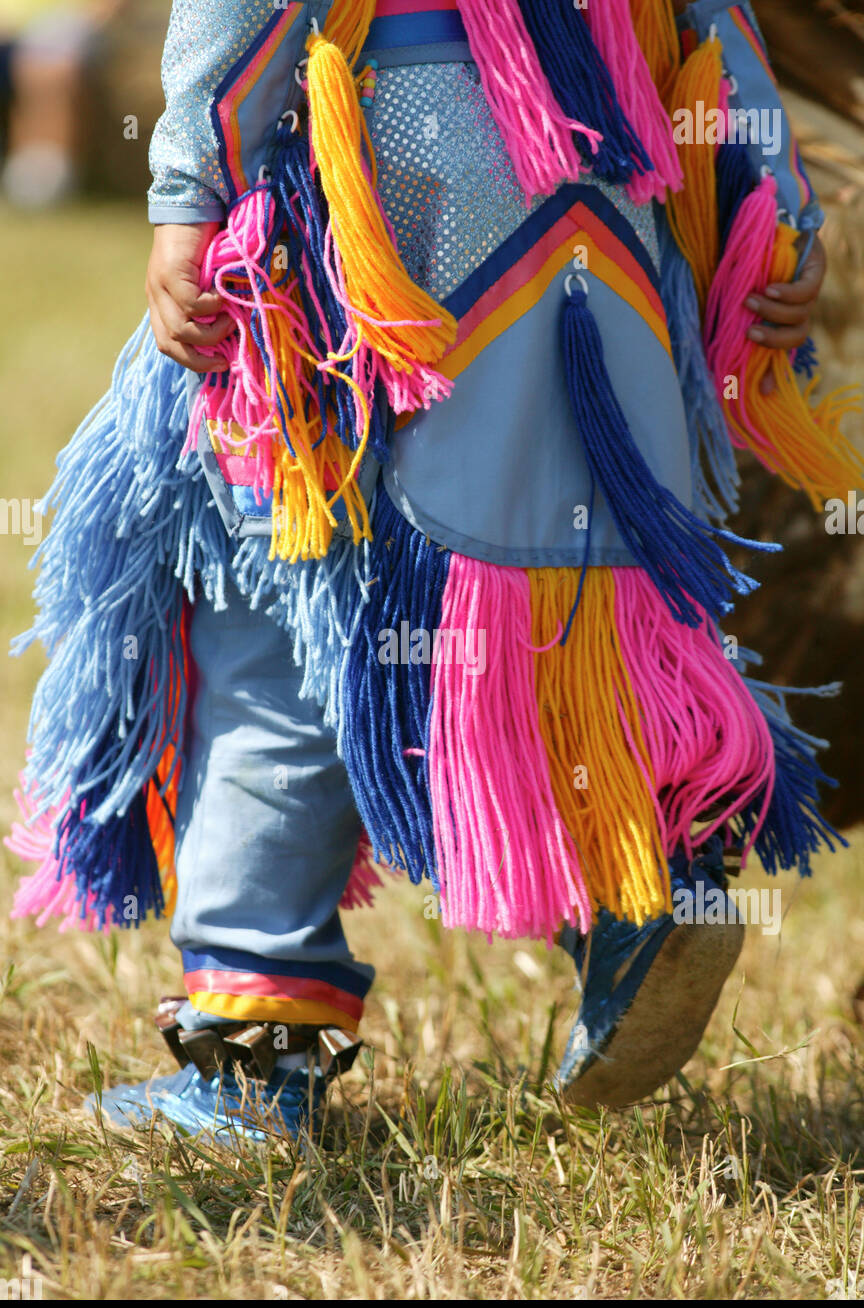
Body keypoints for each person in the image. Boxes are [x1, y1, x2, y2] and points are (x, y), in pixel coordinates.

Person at [9, 0, 859, 1141]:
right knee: (533, 624)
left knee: (273, 618)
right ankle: (641, 882)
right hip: (596, 228)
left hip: (389, 224)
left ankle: (251, 1050)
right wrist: (780, 223)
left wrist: (185, 197)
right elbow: (720, 38)